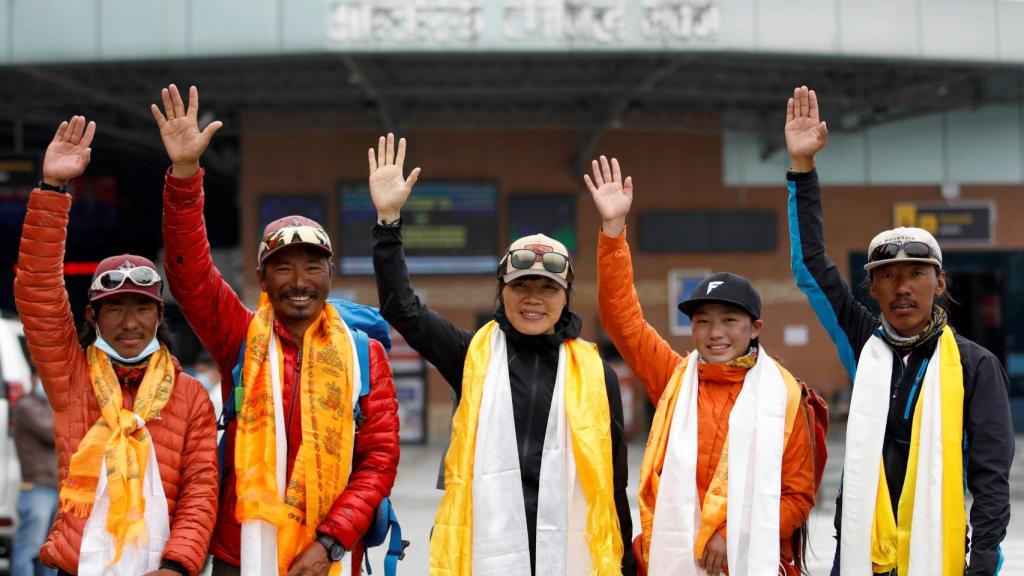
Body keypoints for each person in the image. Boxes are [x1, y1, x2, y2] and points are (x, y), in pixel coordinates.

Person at [155, 84, 400, 576]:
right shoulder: (241, 336)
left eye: (313, 267)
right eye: (283, 267)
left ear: (330, 276)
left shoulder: (363, 355)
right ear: (263, 279)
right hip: (241, 550)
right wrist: (185, 175)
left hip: (327, 556)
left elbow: (378, 461)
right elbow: (189, 277)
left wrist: (330, 542)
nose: (300, 282)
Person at [368, 133, 633, 575]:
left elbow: (614, 479)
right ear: (502, 292)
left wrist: (624, 562)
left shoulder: (596, 373)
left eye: (547, 287)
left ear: (565, 296)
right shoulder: (471, 354)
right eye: (521, 286)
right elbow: (402, 307)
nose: (533, 298)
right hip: (482, 547)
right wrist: (388, 221)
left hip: (571, 552)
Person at [785, 85, 1014, 575]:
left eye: (915, 274)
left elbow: (991, 479)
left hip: (939, 555)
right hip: (859, 556)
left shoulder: (975, 366)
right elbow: (811, 266)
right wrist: (803, 171)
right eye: (887, 276)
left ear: (940, 283)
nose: (902, 287)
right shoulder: (863, 342)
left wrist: (986, 557)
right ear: (873, 288)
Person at [588, 155, 815, 576]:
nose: (715, 333)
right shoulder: (675, 378)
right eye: (703, 321)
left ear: (755, 328)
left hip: (750, 562)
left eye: (729, 320)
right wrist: (614, 231)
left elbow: (797, 498)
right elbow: (623, 321)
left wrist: (733, 536)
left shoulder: (786, 397)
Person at [13, 115, 219, 575]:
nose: (130, 322)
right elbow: (37, 292)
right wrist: (52, 190)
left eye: (143, 308)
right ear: (92, 316)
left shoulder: (190, 397)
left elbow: (201, 490)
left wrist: (178, 566)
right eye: (114, 309)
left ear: (160, 315)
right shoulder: (72, 377)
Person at [12, 368, 58, 576]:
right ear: (32, 378)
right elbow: (54, 432)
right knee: (28, 550)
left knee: (49, 554)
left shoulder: (49, 407)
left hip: (54, 488)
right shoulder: (26, 406)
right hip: (37, 488)